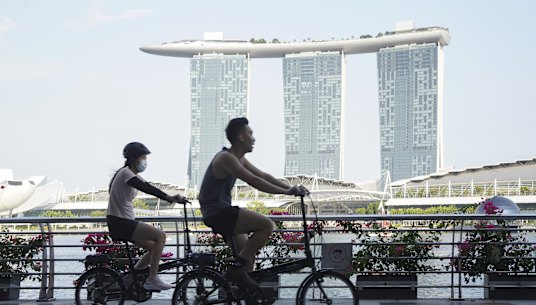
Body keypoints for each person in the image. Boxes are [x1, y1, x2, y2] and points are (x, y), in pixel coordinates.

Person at [198, 117, 307, 287]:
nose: (254, 138)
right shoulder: (226, 158)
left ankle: (244, 295)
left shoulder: (238, 158)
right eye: (251, 134)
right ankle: (235, 270)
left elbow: (263, 176)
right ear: (241, 137)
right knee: (267, 225)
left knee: (247, 259)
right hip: (218, 212)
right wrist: (286, 192)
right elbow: (254, 181)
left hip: (221, 212)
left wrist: (291, 188)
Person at [106, 142, 187, 291]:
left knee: (154, 247)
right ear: (133, 159)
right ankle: (152, 278)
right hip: (120, 222)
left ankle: (131, 277)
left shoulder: (132, 174)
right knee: (161, 237)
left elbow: (149, 186)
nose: (145, 161)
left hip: (124, 221)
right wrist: (169, 198)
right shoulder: (126, 173)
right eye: (143, 158)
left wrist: (173, 197)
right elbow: (146, 189)